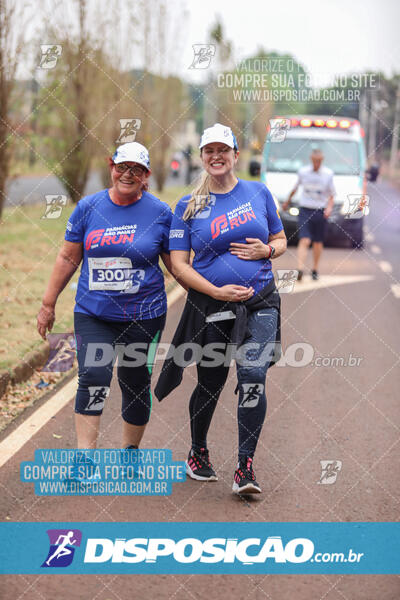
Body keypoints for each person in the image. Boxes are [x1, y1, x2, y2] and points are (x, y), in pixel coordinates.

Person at [155, 123, 287, 495]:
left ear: (235, 154)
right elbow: (179, 265)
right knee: (210, 382)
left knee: (253, 374)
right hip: (211, 304)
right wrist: (216, 290)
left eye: (223, 150)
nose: (216, 156)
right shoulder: (188, 205)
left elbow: (279, 238)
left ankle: (245, 467)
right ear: (202, 157)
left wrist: (269, 251)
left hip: (260, 300)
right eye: (209, 151)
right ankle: (198, 452)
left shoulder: (258, 193)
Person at [37, 142, 173, 452]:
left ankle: (129, 453)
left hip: (144, 314)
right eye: (122, 167)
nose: (128, 174)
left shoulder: (160, 213)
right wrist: (48, 303)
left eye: (136, 169)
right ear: (111, 167)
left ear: (146, 175)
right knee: (94, 376)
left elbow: (175, 265)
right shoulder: (88, 207)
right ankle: (85, 458)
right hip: (93, 312)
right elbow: (68, 258)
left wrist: (206, 296)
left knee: (135, 382)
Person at [282, 148, 335, 280]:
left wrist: (329, 208)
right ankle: (300, 269)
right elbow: (295, 188)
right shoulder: (303, 172)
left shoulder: (328, 174)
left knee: (317, 242)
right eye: (314, 160)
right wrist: (287, 202)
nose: (316, 163)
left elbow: (332, 195)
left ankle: (315, 269)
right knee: (304, 239)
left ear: (321, 161)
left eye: (319, 161)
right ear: (312, 160)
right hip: (305, 209)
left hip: (320, 211)